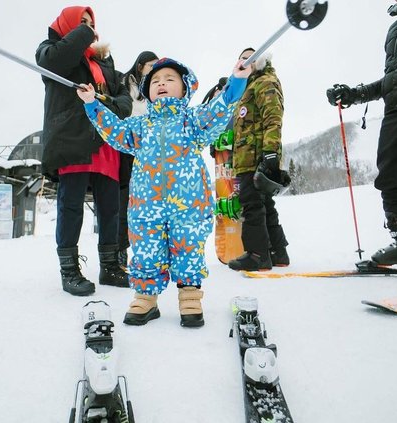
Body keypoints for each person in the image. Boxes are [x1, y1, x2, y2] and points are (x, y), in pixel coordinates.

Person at [77, 57, 253, 327]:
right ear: (147, 91)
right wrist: (92, 104)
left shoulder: (192, 121)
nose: (161, 83)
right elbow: (114, 130)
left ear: (184, 89)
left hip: (188, 205)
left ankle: (189, 296)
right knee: (146, 249)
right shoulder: (140, 126)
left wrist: (237, 81)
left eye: (170, 79)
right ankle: (146, 298)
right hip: (146, 206)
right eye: (155, 81)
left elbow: (220, 109)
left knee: (189, 247)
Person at [35, 6, 132, 296]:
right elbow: (55, 62)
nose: (89, 27)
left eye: (91, 23)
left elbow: (124, 100)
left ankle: (110, 266)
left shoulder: (105, 61)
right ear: (68, 25)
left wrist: (104, 103)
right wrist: (84, 33)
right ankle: (69, 270)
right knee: (71, 204)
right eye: (81, 22)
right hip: (73, 138)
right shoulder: (50, 51)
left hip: (105, 139)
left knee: (111, 208)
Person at [326, 0, 397, 266]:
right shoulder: (395, 28)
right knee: (391, 176)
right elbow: (391, 79)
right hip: (395, 111)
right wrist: (354, 94)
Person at [227, 48, 290, 272]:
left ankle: (257, 254)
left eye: (249, 57)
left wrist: (270, 152)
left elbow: (273, 117)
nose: (244, 61)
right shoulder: (249, 86)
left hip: (257, 155)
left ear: (260, 60)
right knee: (264, 204)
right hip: (247, 155)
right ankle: (277, 252)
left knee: (252, 203)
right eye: (241, 58)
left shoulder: (265, 81)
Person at [117, 51, 159, 267]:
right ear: (141, 65)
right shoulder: (125, 81)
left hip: (147, 148)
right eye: (151, 65)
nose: (155, 69)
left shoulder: (154, 87)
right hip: (127, 143)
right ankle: (120, 249)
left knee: (146, 201)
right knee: (124, 199)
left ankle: (146, 253)